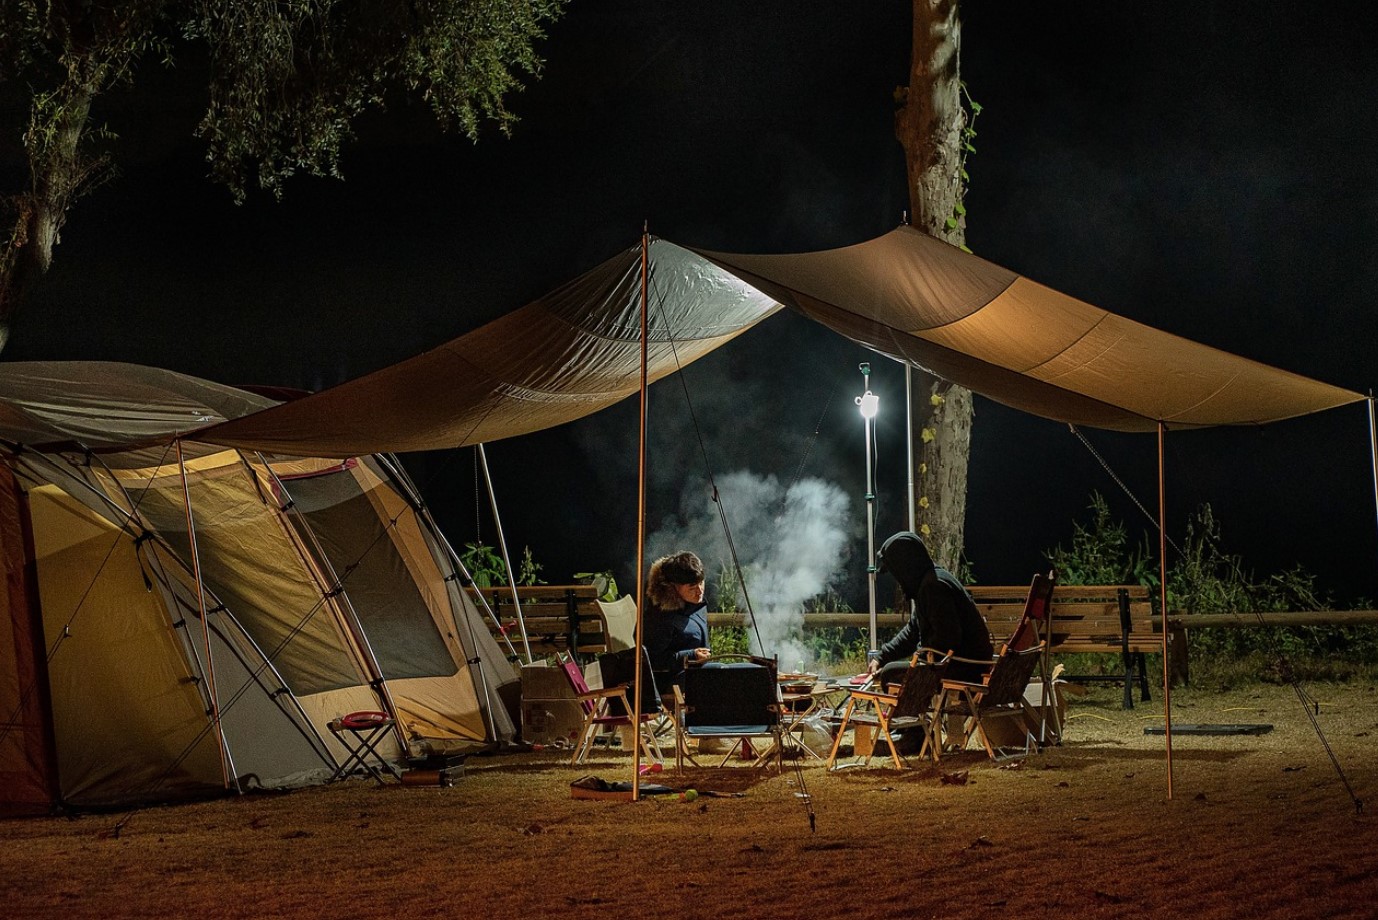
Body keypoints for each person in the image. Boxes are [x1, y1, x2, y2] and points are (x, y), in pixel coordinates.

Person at [868, 530, 993, 684]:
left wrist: (918, 660)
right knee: (891, 668)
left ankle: (912, 707)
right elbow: (912, 632)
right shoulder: (928, 582)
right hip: (958, 661)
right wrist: (882, 657)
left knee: (890, 675)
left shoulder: (934, 587)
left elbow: (947, 638)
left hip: (967, 666)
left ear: (905, 566)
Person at [641, 551, 711, 691]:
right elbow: (651, 660)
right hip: (670, 683)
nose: (700, 591)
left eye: (701, 583)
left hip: (696, 673)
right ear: (673, 586)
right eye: (692, 587)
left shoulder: (692, 603)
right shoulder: (659, 617)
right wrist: (690, 655)